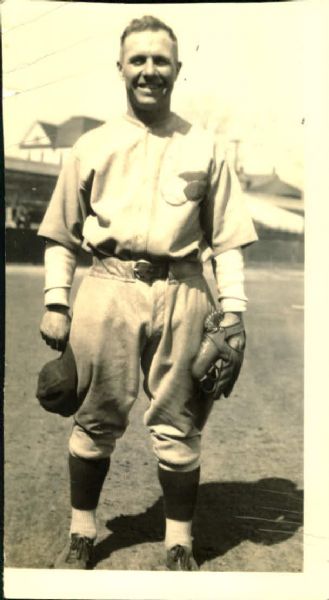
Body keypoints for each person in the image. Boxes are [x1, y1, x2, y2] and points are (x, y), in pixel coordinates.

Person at [38, 15, 258, 571]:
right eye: (138, 60)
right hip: (107, 286)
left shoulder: (205, 146)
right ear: (121, 68)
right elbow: (62, 234)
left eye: (161, 61)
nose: (149, 71)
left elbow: (228, 240)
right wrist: (56, 301)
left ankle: (179, 540)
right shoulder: (91, 145)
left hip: (184, 288)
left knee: (180, 418)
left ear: (177, 69)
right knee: (95, 414)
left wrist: (232, 311)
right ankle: (82, 531)